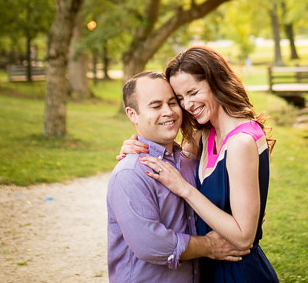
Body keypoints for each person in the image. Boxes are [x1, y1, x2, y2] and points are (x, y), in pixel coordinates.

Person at [124, 47, 278, 282]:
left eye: (193, 92)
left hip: (237, 272)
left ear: (215, 81)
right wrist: (135, 147)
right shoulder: (205, 135)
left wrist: (185, 190)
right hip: (210, 270)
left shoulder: (240, 142)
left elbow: (244, 236)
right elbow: (173, 157)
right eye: (180, 98)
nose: (187, 105)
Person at [108, 71, 250, 283]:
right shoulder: (130, 173)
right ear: (132, 114)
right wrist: (209, 246)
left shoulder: (190, 162)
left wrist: (245, 213)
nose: (168, 112)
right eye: (156, 106)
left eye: (173, 102)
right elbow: (150, 244)